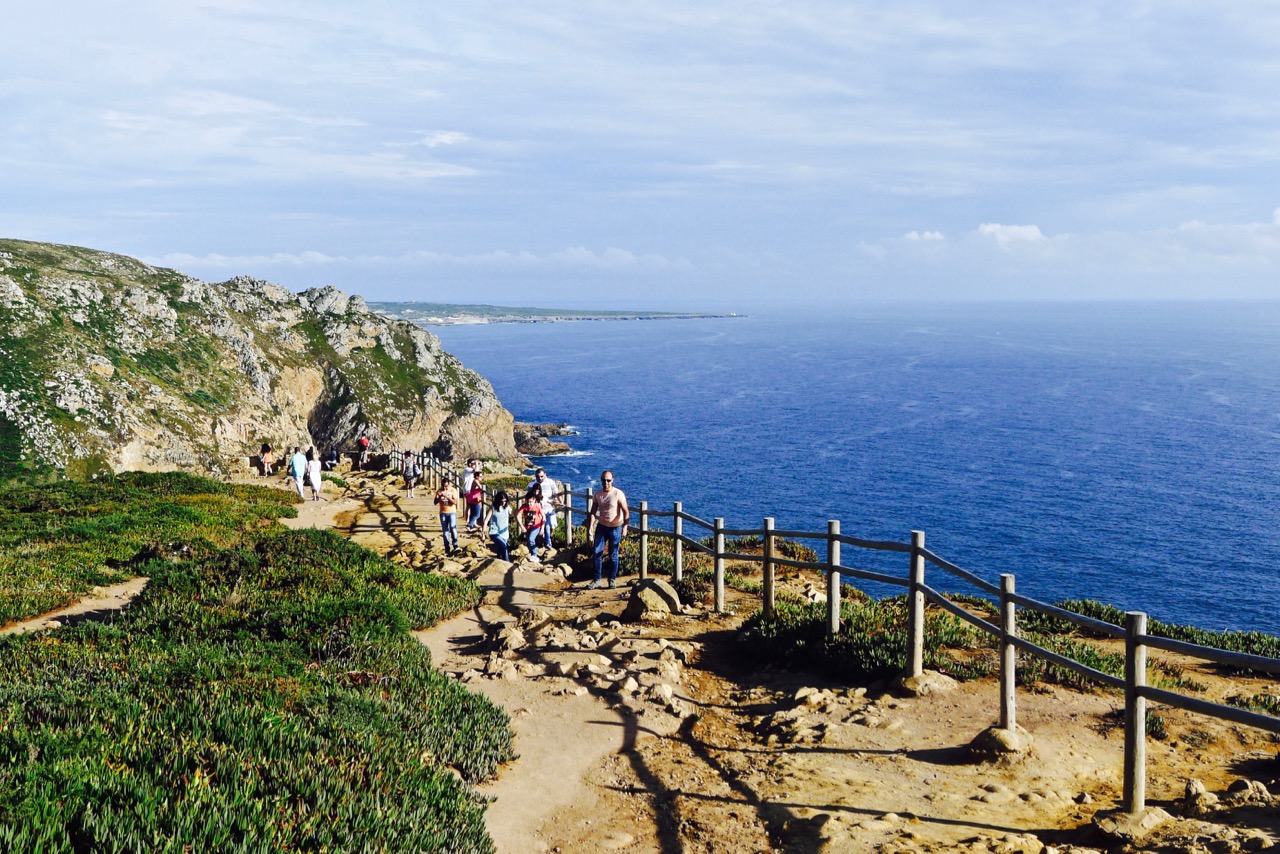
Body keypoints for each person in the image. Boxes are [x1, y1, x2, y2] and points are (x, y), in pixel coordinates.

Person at [589, 470, 629, 588]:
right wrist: (591, 526)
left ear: (612, 480)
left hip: (615, 528)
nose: (606, 483)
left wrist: (625, 527)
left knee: (613, 555)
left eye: (608, 480)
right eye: (604, 480)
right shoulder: (598, 494)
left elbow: (626, 511)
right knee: (597, 553)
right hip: (602, 527)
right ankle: (597, 580)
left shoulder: (618, 494)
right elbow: (593, 512)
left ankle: (612, 580)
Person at [526, 468, 560, 549]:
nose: (540, 478)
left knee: (547, 526)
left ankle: (547, 543)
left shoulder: (550, 483)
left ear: (545, 474)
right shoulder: (531, 484)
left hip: (547, 510)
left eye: (541, 476)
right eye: (538, 476)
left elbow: (554, 496)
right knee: (531, 527)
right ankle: (534, 545)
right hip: (533, 511)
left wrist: (560, 503)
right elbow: (527, 497)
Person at [518, 489, 545, 563]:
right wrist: (521, 526)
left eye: (531, 502)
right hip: (527, 527)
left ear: (534, 500)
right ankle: (533, 554)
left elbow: (543, 516)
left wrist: (542, 528)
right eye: (527, 501)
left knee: (531, 539)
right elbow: (518, 515)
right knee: (529, 541)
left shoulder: (537, 506)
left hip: (536, 526)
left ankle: (534, 555)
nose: (529, 503)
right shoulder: (524, 506)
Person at [484, 490, 512, 561]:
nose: (503, 503)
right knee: (504, 546)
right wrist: (483, 533)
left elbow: (513, 513)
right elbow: (486, 520)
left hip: (504, 533)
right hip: (494, 532)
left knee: (500, 549)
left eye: (505, 501)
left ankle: (498, 563)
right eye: (502, 501)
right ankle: (507, 562)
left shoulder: (507, 507)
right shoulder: (493, 508)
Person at [434, 476, 460, 554]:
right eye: (443, 486)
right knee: (445, 531)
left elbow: (454, 502)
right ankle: (447, 548)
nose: (445, 488)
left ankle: (455, 545)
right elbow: (435, 502)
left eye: (446, 486)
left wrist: (447, 497)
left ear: (449, 485)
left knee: (453, 528)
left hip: (452, 512)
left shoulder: (453, 490)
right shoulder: (439, 491)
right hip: (443, 513)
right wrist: (439, 497)